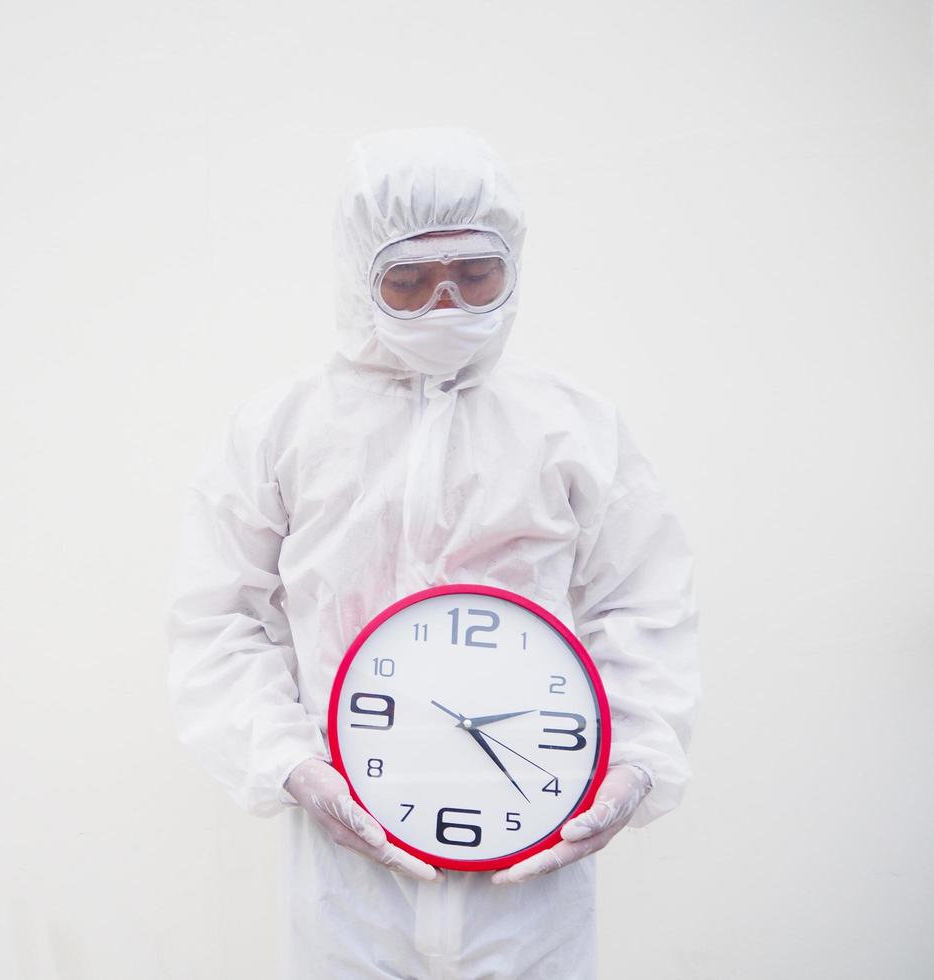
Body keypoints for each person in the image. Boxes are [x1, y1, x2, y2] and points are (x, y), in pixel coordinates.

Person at [165, 126, 700, 979]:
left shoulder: (570, 426)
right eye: (408, 282)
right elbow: (219, 618)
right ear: (358, 277)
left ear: (512, 264)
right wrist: (291, 763)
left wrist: (634, 763)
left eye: (473, 275)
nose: (445, 304)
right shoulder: (284, 428)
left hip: (533, 845)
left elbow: (642, 605)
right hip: (348, 862)